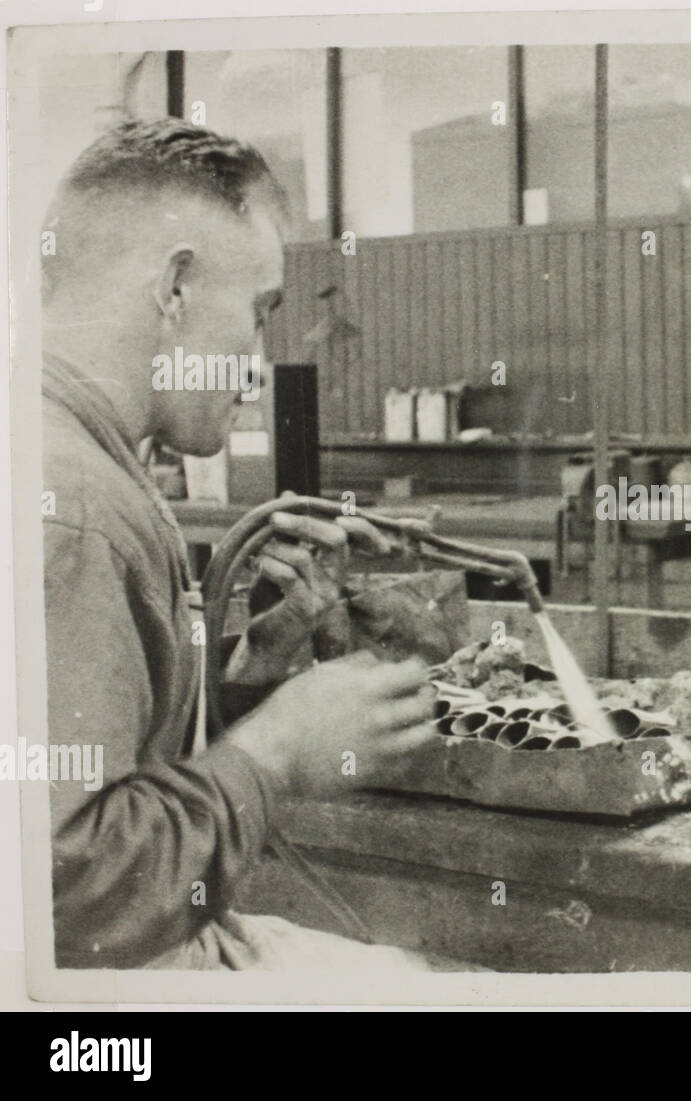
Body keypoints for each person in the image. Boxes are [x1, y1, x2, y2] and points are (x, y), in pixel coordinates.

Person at [40, 118, 450, 970]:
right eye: (259, 313)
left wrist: (241, 682)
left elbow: (103, 769)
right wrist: (272, 754)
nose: (256, 360)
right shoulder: (71, 507)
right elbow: (63, 894)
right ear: (177, 286)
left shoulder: (63, 451)